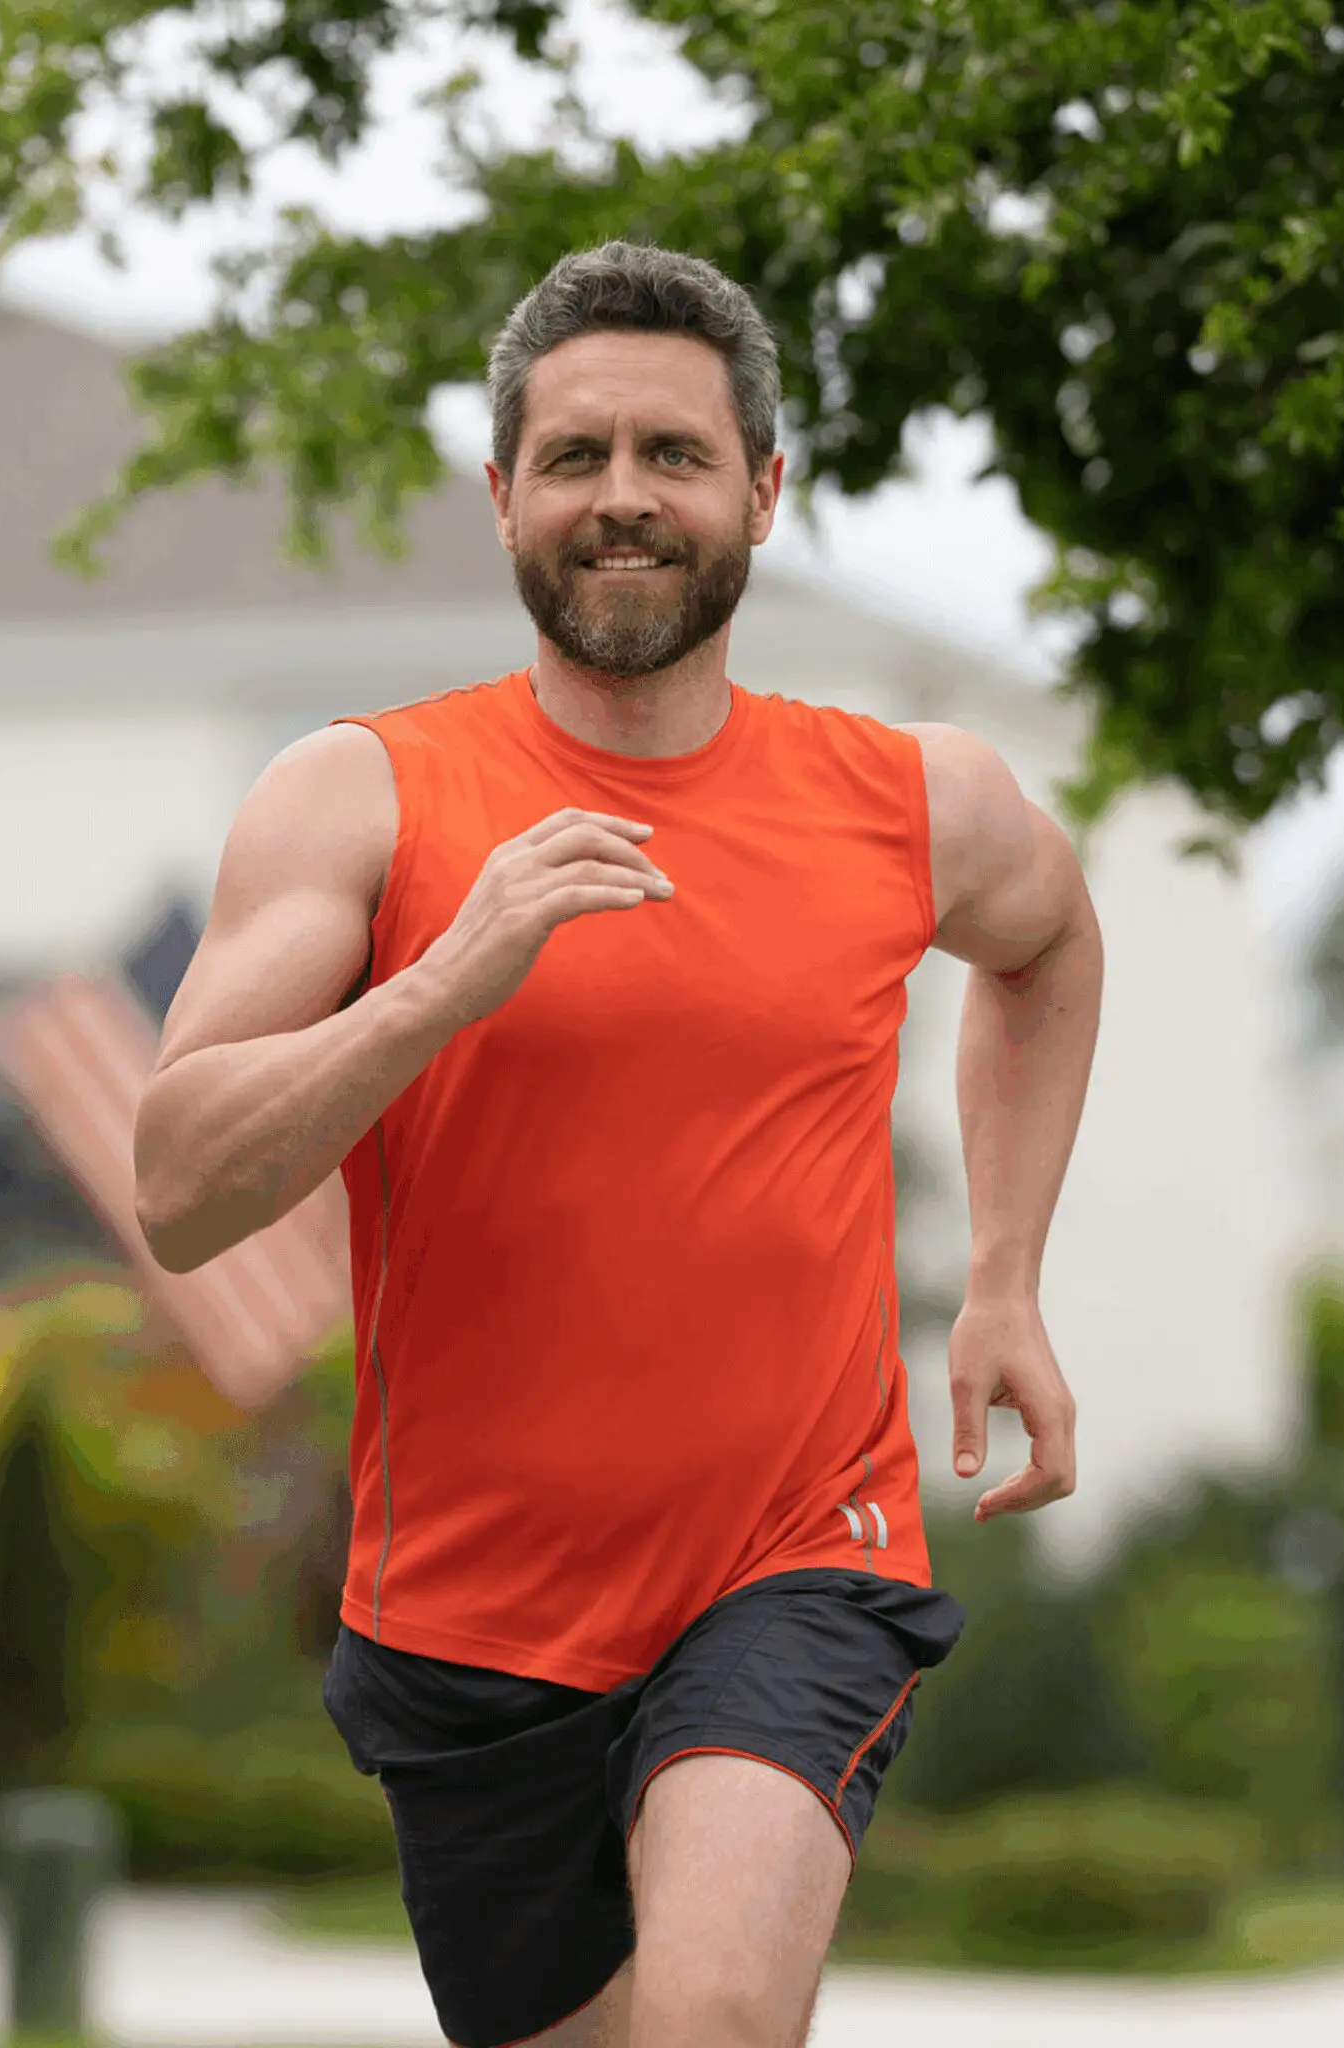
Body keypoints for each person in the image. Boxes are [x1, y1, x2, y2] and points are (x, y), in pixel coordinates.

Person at [134, 241, 1103, 2048]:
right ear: (503, 498)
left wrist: (1008, 1277)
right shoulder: (364, 795)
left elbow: (1049, 945)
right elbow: (182, 1185)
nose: (624, 498)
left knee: (717, 2020)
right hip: (472, 1626)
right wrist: (446, 979)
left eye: (673, 452)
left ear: (764, 491)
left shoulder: (912, 800)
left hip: (796, 1553)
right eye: (575, 458)